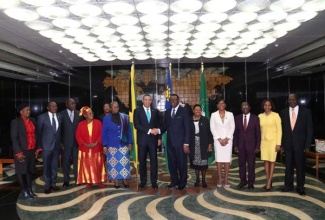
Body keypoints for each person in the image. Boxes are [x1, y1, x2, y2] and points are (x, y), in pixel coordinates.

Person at [280, 93, 313, 196]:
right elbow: (283, 131)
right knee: (288, 166)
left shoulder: (306, 112)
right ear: (288, 101)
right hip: (288, 145)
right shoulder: (283, 112)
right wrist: (282, 145)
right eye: (290, 100)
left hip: (301, 146)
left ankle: (300, 187)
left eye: (294, 99)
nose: (292, 101)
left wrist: (308, 146)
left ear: (297, 100)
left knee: (300, 167)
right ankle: (288, 186)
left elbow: (310, 130)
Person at [10, 103, 41, 199]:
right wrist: (18, 152)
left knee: (29, 171)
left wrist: (38, 148)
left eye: (29, 110)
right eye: (26, 110)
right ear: (21, 112)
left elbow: (37, 135)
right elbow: (14, 139)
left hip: (32, 150)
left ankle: (30, 189)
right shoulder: (15, 122)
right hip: (21, 151)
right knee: (21, 171)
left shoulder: (33, 120)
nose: (28, 111)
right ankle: (24, 190)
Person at [160, 94, 190, 190]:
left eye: (174, 99)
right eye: (171, 100)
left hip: (181, 144)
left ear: (178, 100)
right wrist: (158, 130)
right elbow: (165, 126)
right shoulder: (168, 112)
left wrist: (186, 143)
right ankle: (174, 181)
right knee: (172, 163)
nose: (172, 101)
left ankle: (182, 182)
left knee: (182, 164)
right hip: (170, 143)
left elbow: (188, 129)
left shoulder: (184, 112)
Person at [102, 101, 132, 189]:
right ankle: (116, 181)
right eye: (114, 107)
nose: (116, 109)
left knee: (124, 163)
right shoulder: (106, 119)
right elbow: (104, 133)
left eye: (117, 107)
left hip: (123, 143)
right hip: (112, 144)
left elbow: (128, 131)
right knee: (113, 164)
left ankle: (125, 180)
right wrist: (104, 145)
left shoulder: (124, 117)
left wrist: (130, 142)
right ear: (111, 108)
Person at [134, 94, 161, 189]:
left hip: (153, 141)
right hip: (142, 141)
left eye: (149, 100)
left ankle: (154, 181)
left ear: (151, 101)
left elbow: (158, 125)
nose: (147, 101)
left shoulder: (155, 111)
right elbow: (137, 125)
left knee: (154, 162)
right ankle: (143, 181)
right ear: (142, 101)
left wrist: (159, 138)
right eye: (146, 100)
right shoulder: (137, 111)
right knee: (142, 161)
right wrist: (150, 131)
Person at [75, 106, 106, 188]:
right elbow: (78, 136)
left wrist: (96, 143)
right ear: (85, 115)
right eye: (89, 113)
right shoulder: (80, 124)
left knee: (98, 165)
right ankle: (89, 181)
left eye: (92, 113)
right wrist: (85, 144)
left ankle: (99, 181)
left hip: (96, 148)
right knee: (87, 165)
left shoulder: (98, 122)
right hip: (85, 149)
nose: (91, 114)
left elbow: (101, 134)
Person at [234, 102, 261, 190]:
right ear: (241, 108)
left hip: (252, 146)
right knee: (241, 164)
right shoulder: (237, 118)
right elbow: (236, 133)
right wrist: (235, 145)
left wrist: (257, 146)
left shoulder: (255, 118)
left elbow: (258, 133)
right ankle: (243, 181)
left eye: (246, 106)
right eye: (243, 106)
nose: (245, 107)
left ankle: (250, 183)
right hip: (241, 146)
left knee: (251, 165)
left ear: (250, 107)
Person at [37, 101, 62, 194]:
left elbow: (60, 132)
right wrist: (39, 146)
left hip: (56, 146)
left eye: (55, 106)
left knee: (55, 166)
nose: (54, 107)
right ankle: (47, 186)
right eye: (52, 106)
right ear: (48, 108)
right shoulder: (41, 117)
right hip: (46, 146)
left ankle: (53, 184)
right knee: (47, 166)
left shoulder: (60, 117)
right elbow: (38, 133)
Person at [210, 99, 235, 188]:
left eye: (223, 103)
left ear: (225, 105)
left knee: (227, 160)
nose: (221, 104)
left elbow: (232, 127)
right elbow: (212, 128)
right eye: (220, 103)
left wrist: (227, 138)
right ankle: (220, 179)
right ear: (217, 105)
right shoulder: (213, 115)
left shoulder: (230, 114)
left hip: (228, 141)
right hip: (218, 141)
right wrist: (220, 139)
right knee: (219, 160)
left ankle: (226, 179)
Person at [258, 99, 282, 191]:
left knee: (272, 161)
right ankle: (268, 179)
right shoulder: (260, 116)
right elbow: (258, 131)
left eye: (269, 105)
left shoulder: (276, 116)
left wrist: (278, 144)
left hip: (273, 142)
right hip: (263, 142)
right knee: (265, 161)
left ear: (271, 106)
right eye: (265, 105)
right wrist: (258, 144)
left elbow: (279, 130)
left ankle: (269, 182)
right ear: (263, 106)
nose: (267, 107)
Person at [189, 104, 213, 188]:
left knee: (203, 163)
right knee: (196, 163)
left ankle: (203, 180)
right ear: (193, 111)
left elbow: (209, 133)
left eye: (199, 110)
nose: (197, 111)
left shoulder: (205, 120)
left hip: (203, 143)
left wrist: (210, 144)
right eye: (196, 110)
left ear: (201, 111)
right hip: (193, 144)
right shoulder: (189, 120)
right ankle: (197, 179)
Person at [59, 98, 81, 187]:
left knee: (77, 162)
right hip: (66, 144)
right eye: (71, 103)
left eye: (74, 103)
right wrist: (61, 142)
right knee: (66, 162)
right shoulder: (61, 114)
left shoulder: (79, 113)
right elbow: (59, 130)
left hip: (77, 143)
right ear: (66, 105)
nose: (74, 104)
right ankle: (66, 180)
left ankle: (77, 179)